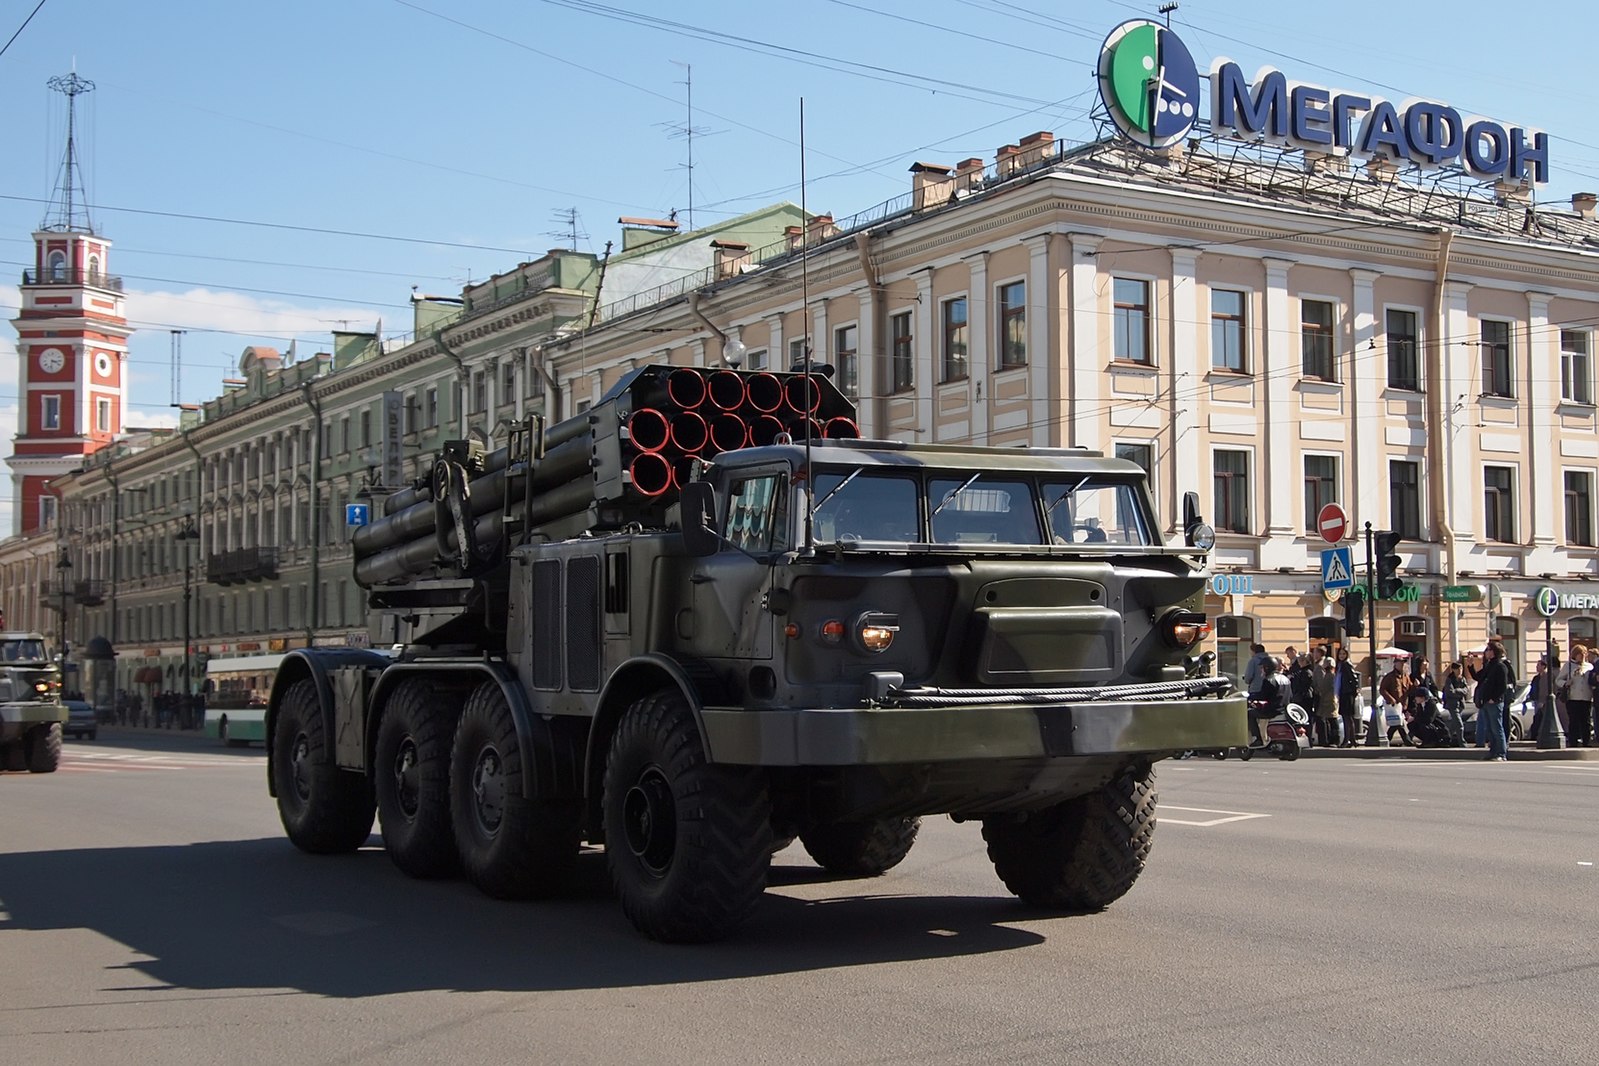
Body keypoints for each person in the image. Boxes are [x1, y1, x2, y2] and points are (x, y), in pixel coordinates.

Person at [1469, 641, 1512, 761]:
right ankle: (1493, 752)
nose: (1486, 652)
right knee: (1489, 728)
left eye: (1488, 650)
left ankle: (1501, 753)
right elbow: (1479, 677)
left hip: (1495, 702)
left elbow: (1503, 686)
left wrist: (1495, 698)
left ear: (1493, 652)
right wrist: (1471, 666)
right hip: (1486, 701)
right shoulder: (1489, 665)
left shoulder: (1500, 666)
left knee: (1497, 728)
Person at [1379, 658, 1418, 746]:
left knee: (1396, 724)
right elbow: (1382, 689)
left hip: (1402, 705)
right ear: (1395, 664)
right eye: (1400, 663)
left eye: (1403, 663)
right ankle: (1407, 741)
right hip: (1394, 705)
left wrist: (1415, 686)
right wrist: (1390, 699)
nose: (1402, 665)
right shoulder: (1390, 677)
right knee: (1398, 723)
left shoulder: (1405, 677)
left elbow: (1410, 690)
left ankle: (1387, 740)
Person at [1559, 646, 1593, 746]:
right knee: (1574, 720)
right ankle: (1573, 741)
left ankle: (1586, 741)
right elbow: (1558, 680)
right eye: (1580, 654)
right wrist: (1566, 683)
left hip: (1586, 697)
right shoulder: (1569, 665)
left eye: (1584, 654)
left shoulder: (1589, 666)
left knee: (1586, 721)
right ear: (1575, 655)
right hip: (1573, 697)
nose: (1582, 656)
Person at [1334, 647, 1361, 746]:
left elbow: (1354, 679)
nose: (1341, 656)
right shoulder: (1340, 665)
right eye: (1340, 654)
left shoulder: (1346, 665)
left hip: (1347, 694)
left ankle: (1347, 740)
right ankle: (1351, 740)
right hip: (1343, 693)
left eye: (1343, 654)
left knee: (1347, 717)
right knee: (1347, 718)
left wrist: (1354, 691)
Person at [1441, 661, 1470, 746]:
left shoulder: (1462, 679)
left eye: (1461, 668)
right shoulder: (1450, 679)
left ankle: (1446, 739)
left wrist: (1458, 690)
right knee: (1459, 724)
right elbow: (1450, 692)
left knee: (1454, 725)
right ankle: (1462, 742)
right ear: (1453, 669)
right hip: (1452, 705)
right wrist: (1459, 692)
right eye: (1458, 669)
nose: (1460, 670)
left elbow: (1466, 690)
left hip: (1461, 704)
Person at [1313, 656, 1340, 747]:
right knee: (1331, 720)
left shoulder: (1329, 676)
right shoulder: (1332, 675)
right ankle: (1333, 739)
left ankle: (1334, 740)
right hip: (1330, 700)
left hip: (1329, 700)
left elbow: (1323, 688)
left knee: (1332, 720)